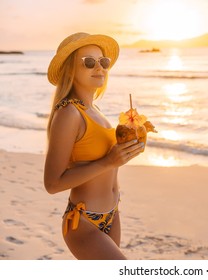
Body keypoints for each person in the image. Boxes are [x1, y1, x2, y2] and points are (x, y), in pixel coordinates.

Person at [44, 32, 144, 259]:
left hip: (112, 214)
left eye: (103, 61)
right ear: (71, 70)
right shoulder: (69, 113)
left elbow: (105, 160)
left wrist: (128, 148)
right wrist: (109, 161)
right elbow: (52, 183)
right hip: (85, 220)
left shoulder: (95, 110)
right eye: (89, 62)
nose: (99, 67)